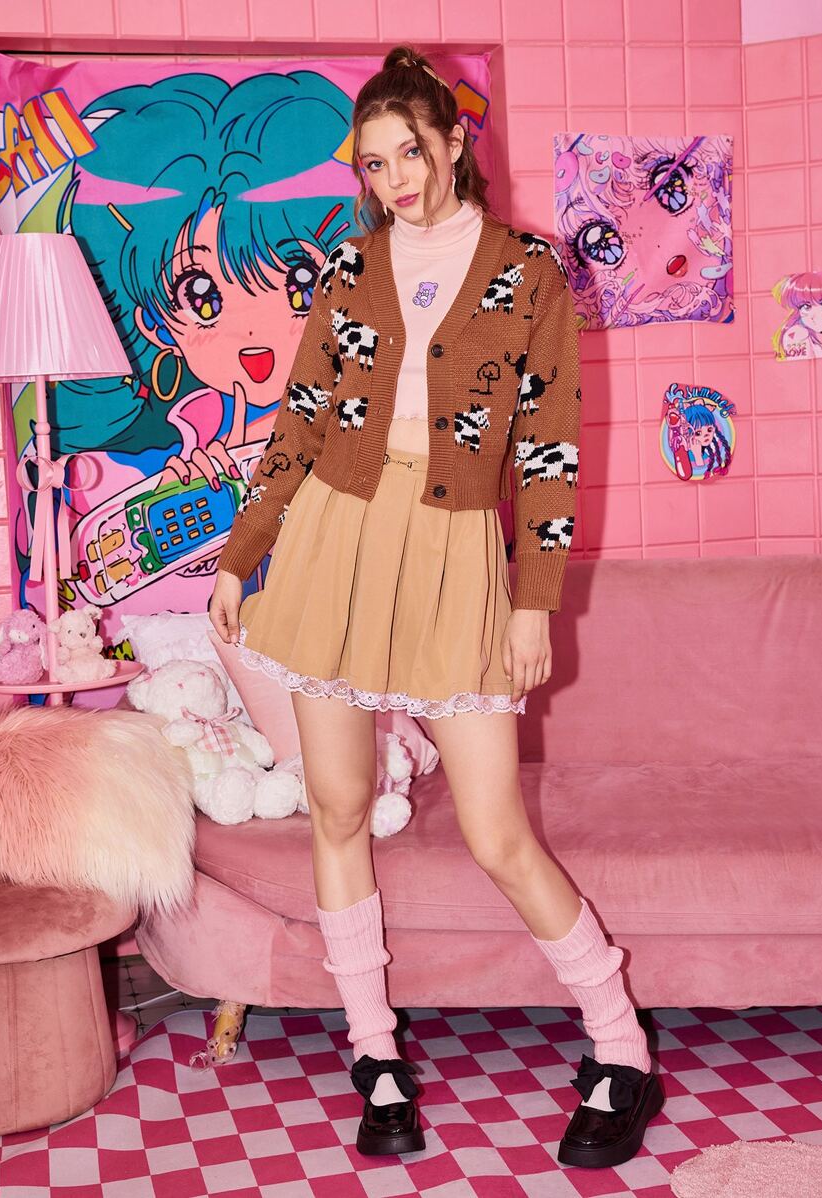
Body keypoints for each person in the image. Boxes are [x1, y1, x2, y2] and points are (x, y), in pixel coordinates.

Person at [208, 44, 665, 1170]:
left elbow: (549, 449)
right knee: (337, 807)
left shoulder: (530, 271)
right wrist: (240, 555)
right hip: (334, 536)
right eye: (374, 164)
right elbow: (300, 421)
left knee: (497, 831)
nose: (395, 179)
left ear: (455, 143)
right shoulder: (349, 268)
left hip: (458, 546)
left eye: (410, 152)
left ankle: (622, 1048)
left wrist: (533, 604)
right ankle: (376, 1057)